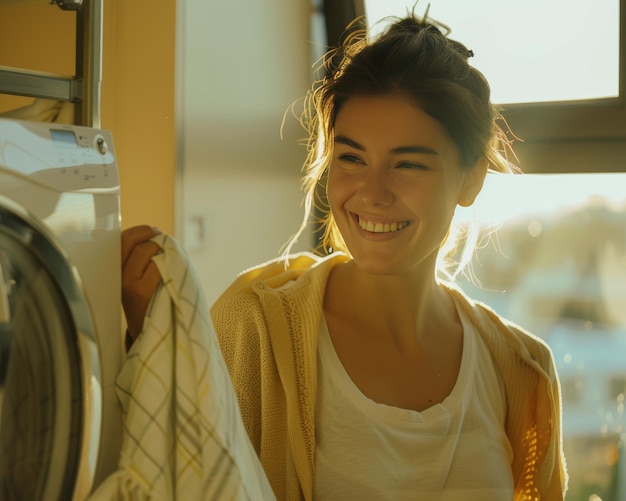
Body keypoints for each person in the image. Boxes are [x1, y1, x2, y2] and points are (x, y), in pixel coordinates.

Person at [122, 12, 568, 500]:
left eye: (408, 164)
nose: (371, 193)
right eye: (351, 158)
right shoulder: (251, 333)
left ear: (471, 178)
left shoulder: (524, 371)